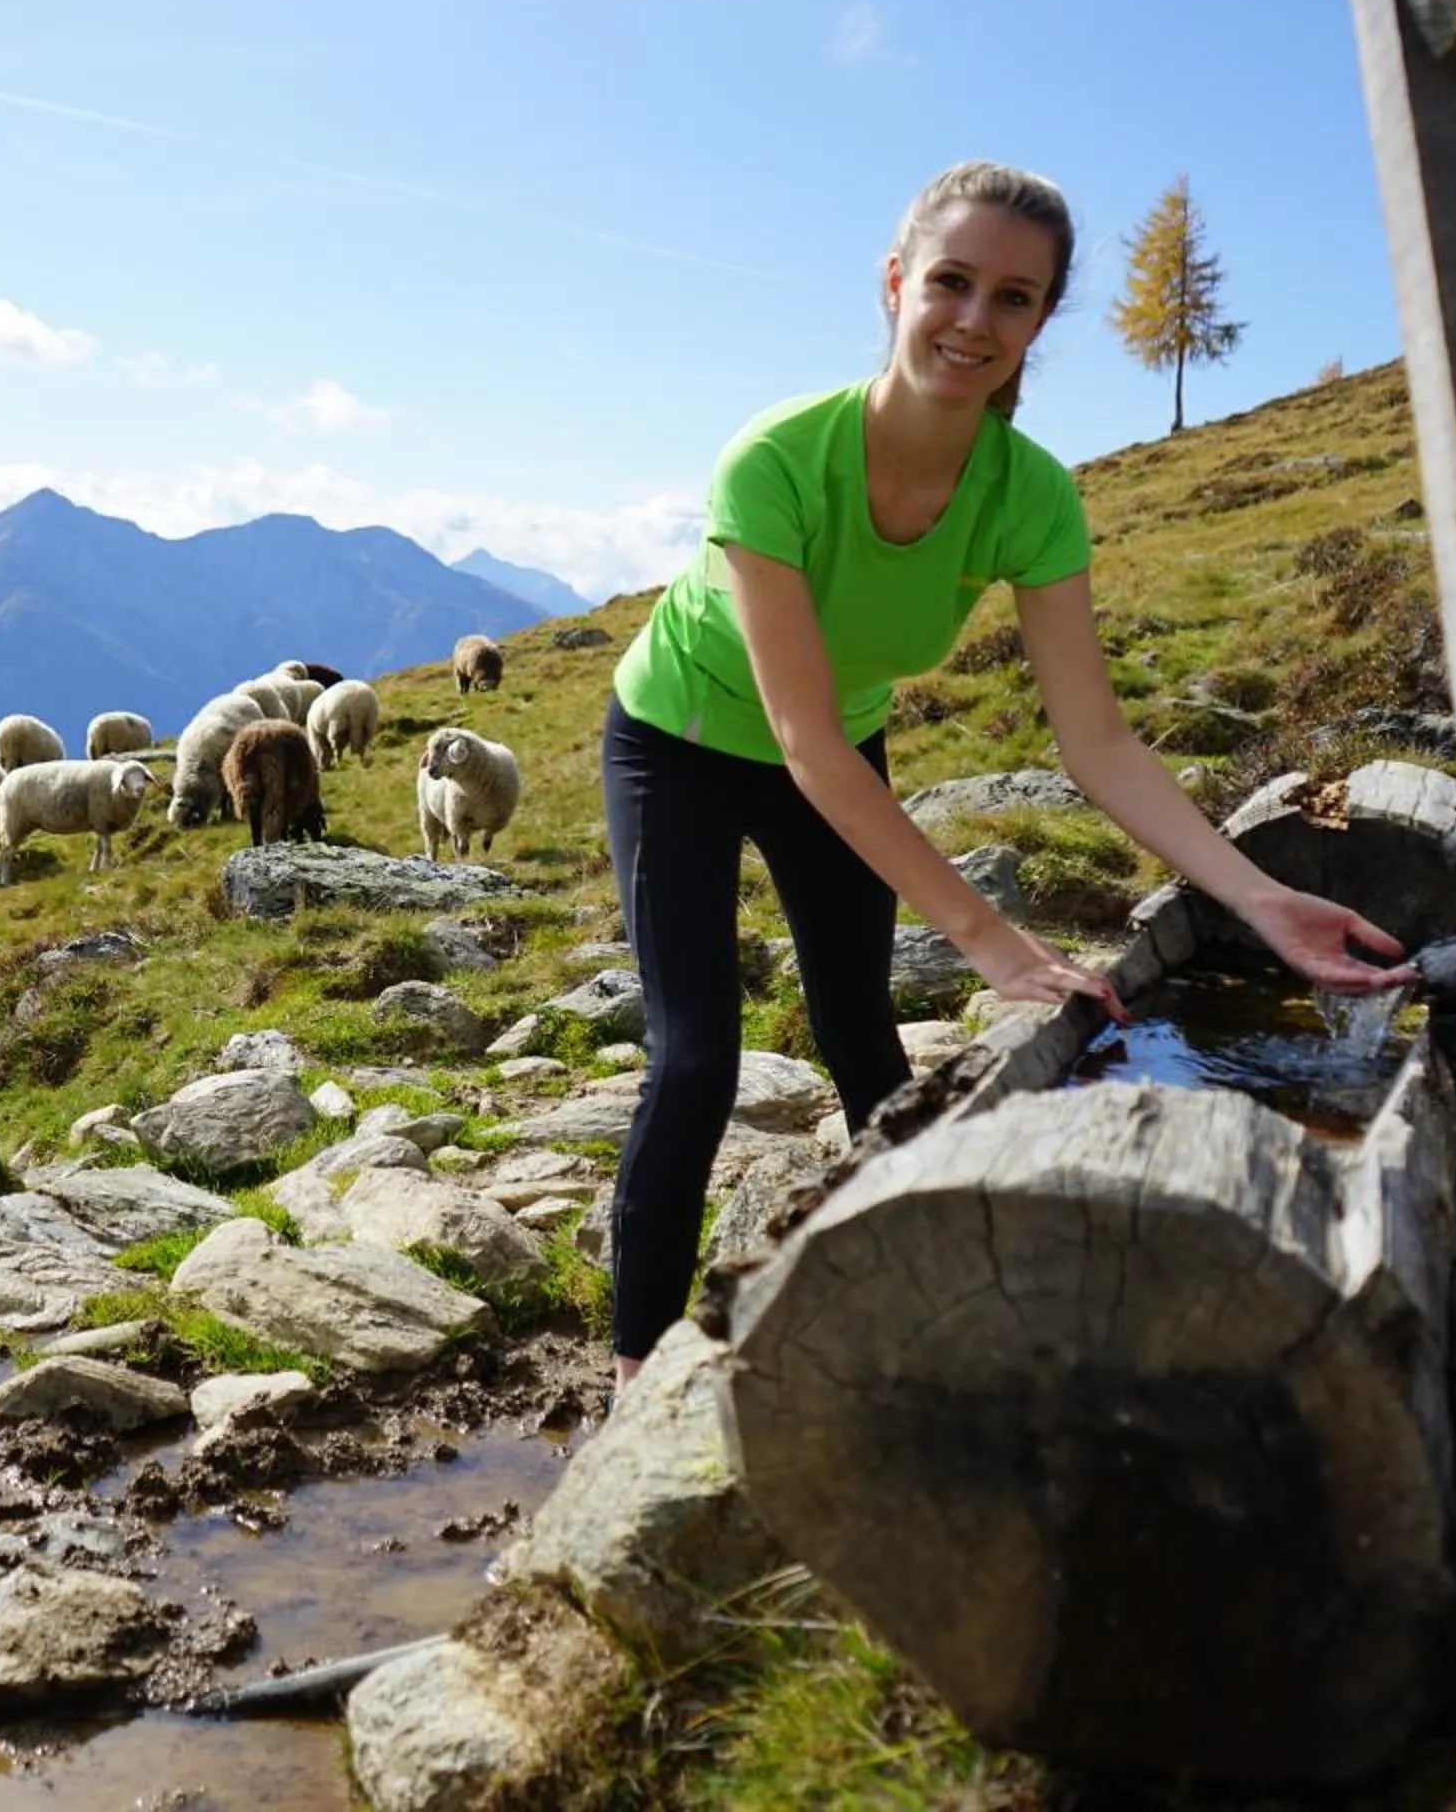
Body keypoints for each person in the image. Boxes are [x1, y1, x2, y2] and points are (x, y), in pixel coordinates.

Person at [598, 159, 1410, 1390]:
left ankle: (904, 1292)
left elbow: (1099, 743)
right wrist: (983, 934)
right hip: (681, 748)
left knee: (864, 1030)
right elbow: (802, 737)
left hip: (832, 755)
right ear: (895, 283)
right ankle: (631, 1368)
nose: (975, 321)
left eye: (1014, 298)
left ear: (1040, 321)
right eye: (952, 282)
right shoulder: (774, 461)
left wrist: (1258, 896)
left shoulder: (1030, 496)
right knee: (699, 1056)